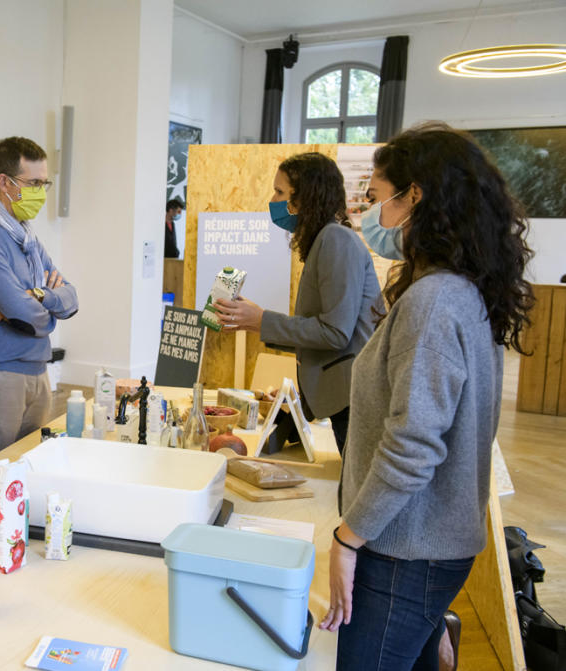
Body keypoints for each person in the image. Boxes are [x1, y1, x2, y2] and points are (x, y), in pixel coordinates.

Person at [320, 123, 534, 671]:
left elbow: (413, 444)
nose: (373, 217)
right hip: (426, 546)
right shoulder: (460, 289)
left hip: (403, 550)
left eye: (378, 200)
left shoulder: (435, 301)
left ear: (414, 196)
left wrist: (349, 537)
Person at [213, 152, 382, 453]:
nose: (274, 199)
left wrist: (262, 320)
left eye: (280, 192)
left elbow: (335, 332)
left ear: (304, 197)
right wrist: (254, 322)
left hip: (351, 397)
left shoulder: (335, 240)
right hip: (343, 397)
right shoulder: (325, 240)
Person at [0, 137, 79, 461]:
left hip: (37, 370)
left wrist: (38, 295)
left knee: (29, 470)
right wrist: (38, 306)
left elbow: (71, 297)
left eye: (44, 183)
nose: (40, 191)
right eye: (34, 183)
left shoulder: (27, 237)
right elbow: (25, 316)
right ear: (5, 183)